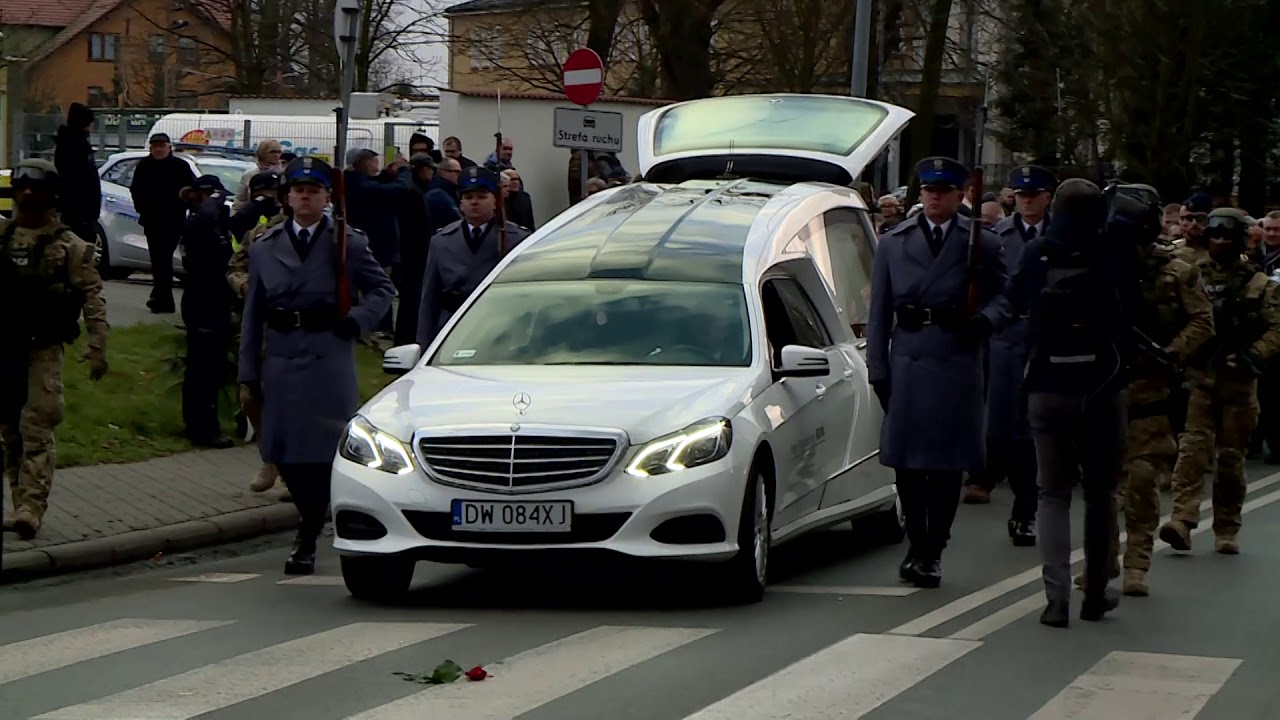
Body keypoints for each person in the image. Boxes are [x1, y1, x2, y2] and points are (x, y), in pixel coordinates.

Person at [237, 156, 395, 574]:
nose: (305, 197)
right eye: (298, 191)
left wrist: (356, 321)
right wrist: (247, 370)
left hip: (328, 351)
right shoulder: (265, 245)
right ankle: (310, 518)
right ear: (287, 198)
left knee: (326, 449)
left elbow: (381, 289)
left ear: (327, 197)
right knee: (284, 449)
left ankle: (307, 533)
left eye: (314, 191)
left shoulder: (346, 242)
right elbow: (253, 311)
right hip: (282, 353)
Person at [865, 157, 1009, 589]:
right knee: (907, 464)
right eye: (928, 190)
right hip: (909, 358)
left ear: (960, 195)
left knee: (947, 464)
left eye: (943, 191)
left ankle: (933, 550)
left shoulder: (979, 242)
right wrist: (877, 366)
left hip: (955, 358)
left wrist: (981, 321)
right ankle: (916, 543)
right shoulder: (894, 241)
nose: (934, 198)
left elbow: (1005, 297)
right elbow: (878, 311)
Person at [1006, 178, 1134, 626]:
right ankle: (1095, 593)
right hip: (1101, 386)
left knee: (1052, 494)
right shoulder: (1113, 251)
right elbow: (1132, 309)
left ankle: (1055, 598)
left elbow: (1015, 301)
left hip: (1047, 384)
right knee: (1100, 494)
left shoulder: (1037, 252)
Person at [1099, 184, 1214, 597]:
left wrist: (1171, 353)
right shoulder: (1100, 265)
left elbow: (1203, 322)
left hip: (1151, 391)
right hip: (1106, 386)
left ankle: (1137, 564)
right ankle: (1102, 560)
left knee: (1143, 483)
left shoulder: (1177, 270)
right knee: (1102, 486)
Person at [1159, 207, 1280, 556]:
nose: (1221, 242)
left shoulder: (1258, 283)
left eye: (1228, 236)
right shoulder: (1192, 276)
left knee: (1230, 458)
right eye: (1216, 236)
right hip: (1201, 377)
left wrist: (1253, 354)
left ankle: (1227, 527)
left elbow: (1277, 328)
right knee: (1192, 450)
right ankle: (1182, 519)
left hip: (1239, 383)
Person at [0, 160, 109, 539]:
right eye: (22, 186)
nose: (28, 193)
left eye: (36, 187)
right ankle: (19, 504)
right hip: (6, 348)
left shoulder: (70, 246)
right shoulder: (3, 237)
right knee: (9, 431)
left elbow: (92, 297)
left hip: (43, 348)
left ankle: (31, 507)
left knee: (37, 425)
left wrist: (98, 345)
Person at [967, 165, 1056, 547]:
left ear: (1047, 197)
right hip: (1004, 340)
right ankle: (1001, 487)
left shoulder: (1060, 237)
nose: (1027, 201)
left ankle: (1027, 510)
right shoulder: (995, 237)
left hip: (1047, 339)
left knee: (1037, 427)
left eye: (1034, 195)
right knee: (1002, 427)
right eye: (1021, 195)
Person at [416, 166, 529, 348]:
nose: (474, 202)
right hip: (452, 329)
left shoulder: (516, 239)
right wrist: (423, 344)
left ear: (495, 201)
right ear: (460, 203)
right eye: (468, 197)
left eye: (482, 197)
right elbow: (430, 297)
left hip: (501, 330)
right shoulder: (442, 240)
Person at [178, 174, 235, 449]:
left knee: (213, 368)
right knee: (202, 368)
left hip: (217, 301)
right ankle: (200, 428)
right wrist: (212, 200)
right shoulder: (197, 223)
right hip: (202, 302)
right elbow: (201, 221)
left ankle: (204, 424)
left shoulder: (217, 225)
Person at [129, 133, 196, 314]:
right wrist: (142, 209)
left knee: (164, 258)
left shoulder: (180, 166)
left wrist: (184, 205)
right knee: (157, 259)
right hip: (152, 220)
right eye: (155, 146)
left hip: (173, 220)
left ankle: (161, 298)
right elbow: (136, 190)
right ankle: (161, 297)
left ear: (169, 147)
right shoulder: (144, 166)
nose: (158, 150)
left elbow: (191, 190)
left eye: (161, 146)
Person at [52, 103, 102, 247]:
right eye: (90, 122)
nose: (92, 126)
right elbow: (81, 182)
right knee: (80, 251)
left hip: (80, 212)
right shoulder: (75, 147)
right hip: (79, 213)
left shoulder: (74, 144)